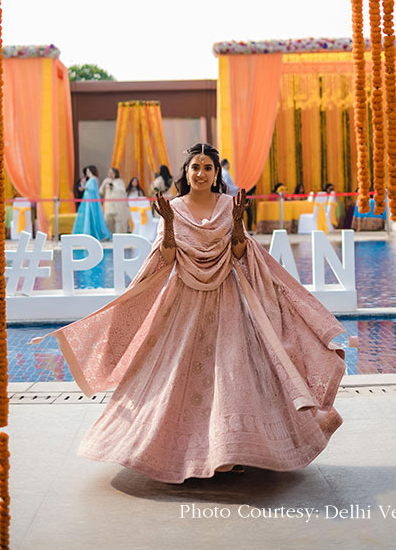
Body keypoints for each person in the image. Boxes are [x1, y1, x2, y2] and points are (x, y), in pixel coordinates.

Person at [43, 142, 346, 483]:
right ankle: (184, 451)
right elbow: (167, 260)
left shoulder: (230, 206)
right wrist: (169, 224)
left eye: (207, 167)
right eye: (195, 167)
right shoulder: (173, 208)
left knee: (233, 375)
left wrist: (238, 222)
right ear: (185, 173)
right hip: (184, 306)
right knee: (176, 377)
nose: (201, 173)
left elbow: (241, 255)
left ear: (217, 174)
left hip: (230, 302)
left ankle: (231, 451)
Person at [72, 166, 111, 242]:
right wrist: (82, 184)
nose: (87, 173)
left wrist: (83, 185)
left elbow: (91, 190)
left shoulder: (93, 179)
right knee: (87, 217)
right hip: (86, 200)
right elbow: (81, 188)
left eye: (88, 171)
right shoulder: (90, 180)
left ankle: (91, 233)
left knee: (90, 216)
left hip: (90, 202)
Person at [99, 168, 129, 234]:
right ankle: (111, 236)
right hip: (109, 206)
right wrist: (105, 184)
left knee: (119, 223)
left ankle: (118, 237)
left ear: (115, 174)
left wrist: (113, 185)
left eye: (112, 173)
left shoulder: (120, 182)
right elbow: (101, 191)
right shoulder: (106, 181)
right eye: (109, 173)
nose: (110, 174)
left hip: (118, 207)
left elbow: (122, 192)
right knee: (108, 221)